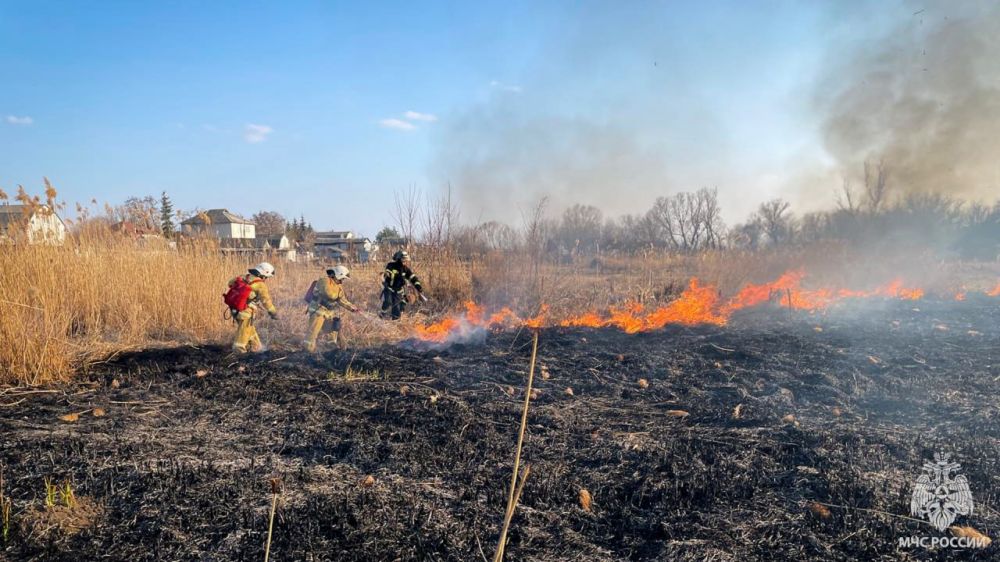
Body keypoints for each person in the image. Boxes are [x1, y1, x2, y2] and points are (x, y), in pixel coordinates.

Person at [224, 262, 278, 354]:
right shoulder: (260, 285)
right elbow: (266, 301)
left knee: (250, 330)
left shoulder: (243, 276)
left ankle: (257, 347)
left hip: (235, 309)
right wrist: (273, 312)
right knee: (244, 332)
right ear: (264, 274)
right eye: (267, 277)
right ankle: (238, 351)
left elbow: (230, 283)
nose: (266, 279)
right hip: (246, 311)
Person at [304, 265, 359, 352]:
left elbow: (342, 300)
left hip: (328, 313)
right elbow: (329, 294)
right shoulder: (324, 281)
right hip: (318, 310)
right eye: (342, 278)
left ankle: (330, 351)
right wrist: (337, 298)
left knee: (332, 332)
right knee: (313, 332)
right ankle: (307, 351)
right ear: (338, 274)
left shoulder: (338, 286)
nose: (342, 281)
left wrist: (352, 308)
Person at [380, 250, 426, 320]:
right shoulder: (391, 265)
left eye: (406, 260)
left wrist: (419, 287)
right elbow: (388, 271)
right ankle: (382, 315)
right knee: (388, 302)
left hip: (398, 292)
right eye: (403, 260)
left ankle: (394, 324)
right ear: (398, 259)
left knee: (396, 312)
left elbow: (413, 278)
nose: (405, 262)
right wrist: (386, 274)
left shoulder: (406, 269)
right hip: (389, 289)